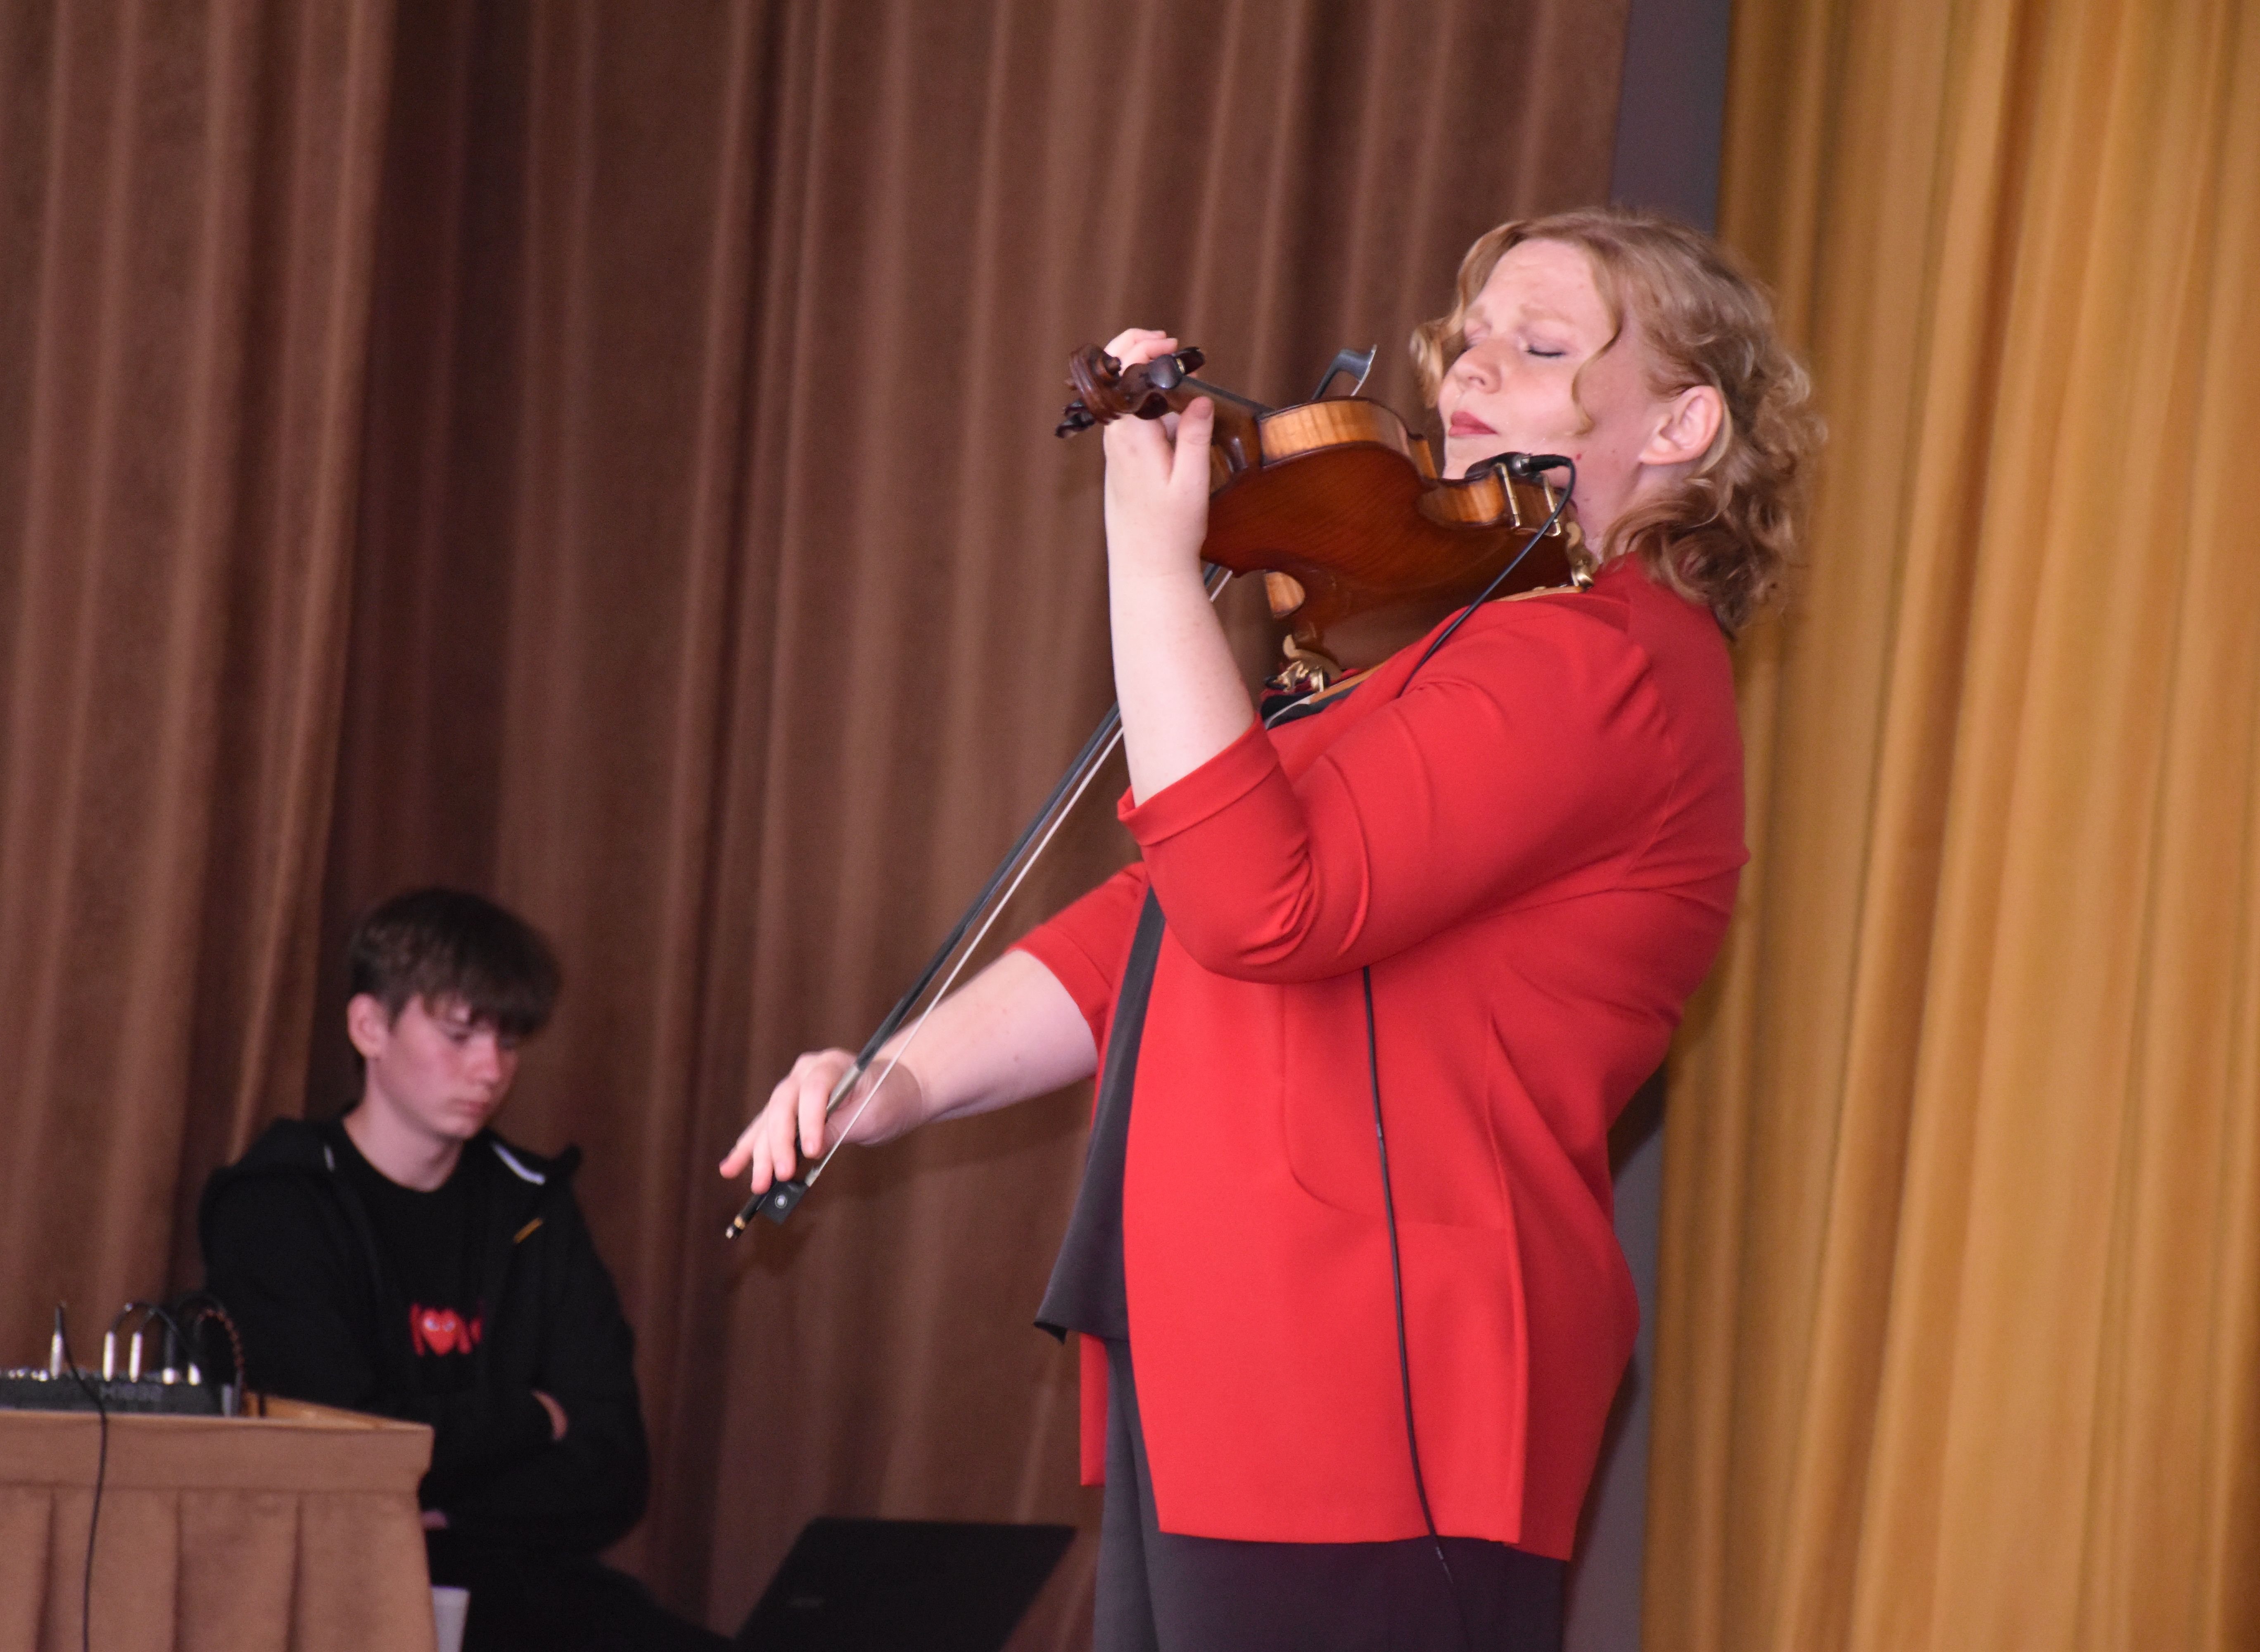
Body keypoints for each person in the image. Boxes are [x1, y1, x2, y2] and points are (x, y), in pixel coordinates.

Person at [722, 208, 1815, 1651]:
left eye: (1543, 348)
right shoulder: (1462, 647)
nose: (1473, 367)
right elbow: (1158, 919)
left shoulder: (1605, 658)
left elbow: (1257, 905)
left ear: (1682, 424)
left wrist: (1150, 566)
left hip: (1377, 1371)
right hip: (1244, 1346)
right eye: (1471, 335)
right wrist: (898, 1082)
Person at [204, 888, 722, 1652]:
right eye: (459, 1036)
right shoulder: (279, 1202)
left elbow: (614, 1469)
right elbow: (334, 1448)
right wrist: (533, 1418)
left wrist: (446, 1506)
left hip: (520, 1590)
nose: (490, 1069)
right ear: (369, 1027)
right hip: (330, 1600)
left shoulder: (534, 1203)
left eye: (508, 1043)